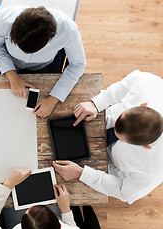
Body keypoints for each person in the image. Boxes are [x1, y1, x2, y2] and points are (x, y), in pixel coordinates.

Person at [53, 70, 163, 204]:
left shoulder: (152, 170)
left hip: (108, 167)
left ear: (145, 146)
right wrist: (97, 104)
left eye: (122, 139)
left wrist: (81, 174)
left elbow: (122, 190)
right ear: (142, 105)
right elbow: (126, 83)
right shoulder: (147, 85)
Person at [0, 6, 86, 117]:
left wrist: (53, 99)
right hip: (6, 57)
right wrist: (12, 75)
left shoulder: (68, 30)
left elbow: (78, 65)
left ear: (51, 38)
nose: (25, 55)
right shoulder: (2, 20)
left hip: (45, 64)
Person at [0, 168, 85, 229]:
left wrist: (8, 185)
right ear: (60, 225)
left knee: (13, 202)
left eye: (27, 211)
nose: (31, 206)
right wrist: (65, 210)